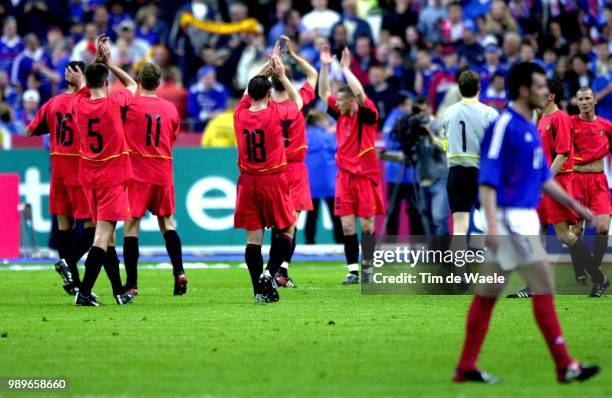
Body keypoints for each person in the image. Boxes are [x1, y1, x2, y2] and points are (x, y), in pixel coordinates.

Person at [453, 62, 600, 384]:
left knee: (489, 294)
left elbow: (542, 177)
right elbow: (488, 177)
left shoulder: (528, 125)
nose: (544, 91)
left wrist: (574, 204)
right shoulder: (505, 125)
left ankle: (466, 365)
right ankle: (565, 365)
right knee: (543, 284)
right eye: (538, 85)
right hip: (510, 219)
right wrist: (492, 224)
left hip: (518, 217)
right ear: (523, 90)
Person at [507, 80, 608, 299]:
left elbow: (562, 154)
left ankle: (599, 277)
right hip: (542, 184)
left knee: (564, 236)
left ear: (550, 95)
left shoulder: (560, 118)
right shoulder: (542, 118)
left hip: (557, 183)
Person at [68, 36, 136, 306]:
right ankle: (83, 293)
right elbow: (132, 83)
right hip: (112, 177)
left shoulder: (79, 105)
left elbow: (84, 89)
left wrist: (94, 66)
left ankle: (119, 291)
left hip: (90, 178)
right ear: (107, 82)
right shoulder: (114, 103)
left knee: (107, 241)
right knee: (102, 237)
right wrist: (109, 61)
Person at [233, 49, 303, 303]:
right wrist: (282, 74)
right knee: (287, 227)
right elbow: (299, 103)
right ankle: (271, 274)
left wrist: (266, 67)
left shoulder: (239, 114)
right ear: (270, 94)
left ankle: (257, 290)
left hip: (247, 181)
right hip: (272, 179)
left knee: (253, 239)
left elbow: (247, 91)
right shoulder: (276, 113)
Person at [25, 61, 95, 295]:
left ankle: (72, 283)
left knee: (65, 226)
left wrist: (53, 127)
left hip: (58, 171)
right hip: (79, 170)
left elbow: (30, 130)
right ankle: (69, 263)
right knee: (93, 227)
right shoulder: (85, 99)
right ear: (81, 77)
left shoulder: (53, 103)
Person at [319, 46, 385, 285]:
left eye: (340, 100)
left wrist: (345, 68)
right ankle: (352, 270)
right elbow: (322, 91)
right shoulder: (340, 116)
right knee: (347, 225)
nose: (335, 102)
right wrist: (326, 66)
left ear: (352, 102)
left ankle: (368, 269)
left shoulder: (367, 115)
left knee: (367, 225)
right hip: (344, 178)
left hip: (365, 177)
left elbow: (360, 92)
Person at [122, 62, 188, 297]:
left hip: (137, 173)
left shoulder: (130, 105)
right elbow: (172, 137)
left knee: (131, 228)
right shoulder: (170, 109)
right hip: (162, 170)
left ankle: (131, 284)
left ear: (138, 81)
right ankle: (179, 271)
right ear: (159, 83)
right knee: (168, 224)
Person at [268, 36, 318, 288]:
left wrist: (272, 66)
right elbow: (313, 75)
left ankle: (275, 269)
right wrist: (294, 55)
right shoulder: (300, 101)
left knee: (278, 223)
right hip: (296, 168)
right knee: (291, 223)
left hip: (275, 169)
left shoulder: (265, 107)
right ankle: (281, 270)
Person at [441, 70, 498, 236]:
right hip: (481, 172)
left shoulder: (448, 113)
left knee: (459, 225)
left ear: (459, 89)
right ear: (479, 87)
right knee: (488, 221)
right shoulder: (489, 113)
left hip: (457, 172)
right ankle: (494, 260)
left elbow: (445, 142)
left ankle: (459, 262)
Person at [569, 87, 611, 297]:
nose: (584, 102)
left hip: (598, 182)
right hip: (576, 181)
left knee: (603, 227)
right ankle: (594, 276)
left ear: (595, 100)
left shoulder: (606, 126)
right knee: (575, 233)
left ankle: (595, 276)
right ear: (577, 102)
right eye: (581, 99)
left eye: (587, 98)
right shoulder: (569, 124)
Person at [304, 110, 343, 244]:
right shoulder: (327, 137)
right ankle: (340, 243)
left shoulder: (303, 136)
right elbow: (339, 150)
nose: (327, 123)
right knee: (336, 216)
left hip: (310, 183)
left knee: (311, 216)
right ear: (318, 121)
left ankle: (309, 243)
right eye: (325, 120)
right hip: (329, 183)